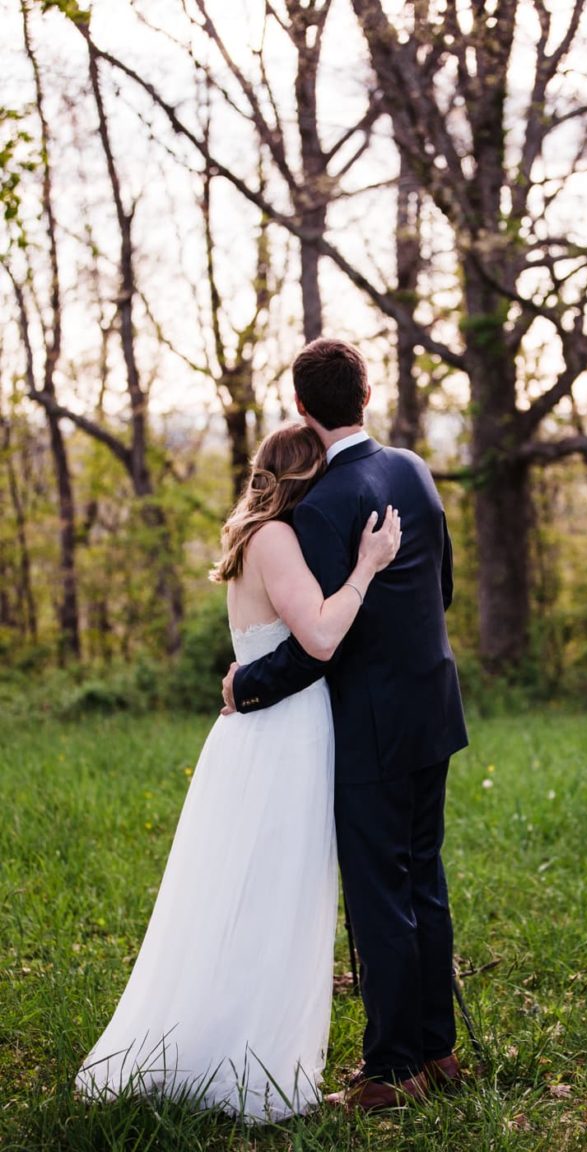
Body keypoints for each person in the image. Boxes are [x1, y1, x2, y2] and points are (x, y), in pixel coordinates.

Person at [75, 423, 401, 1123]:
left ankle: (237, 1044)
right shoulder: (279, 537)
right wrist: (367, 565)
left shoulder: (262, 534)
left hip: (270, 729)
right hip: (282, 734)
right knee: (272, 894)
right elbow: (317, 634)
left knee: (254, 890)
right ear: (303, 475)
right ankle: (243, 1063)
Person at [221, 338, 469, 1112]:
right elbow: (446, 589)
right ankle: (438, 1051)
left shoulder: (323, 506)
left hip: (372, 727)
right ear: (366, 393)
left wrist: (245, 686)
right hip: (434, 708)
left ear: (302, 406)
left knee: (379, 897)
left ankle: (392, 1070)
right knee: (422, 879)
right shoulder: (414, 471)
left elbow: (317, 644)